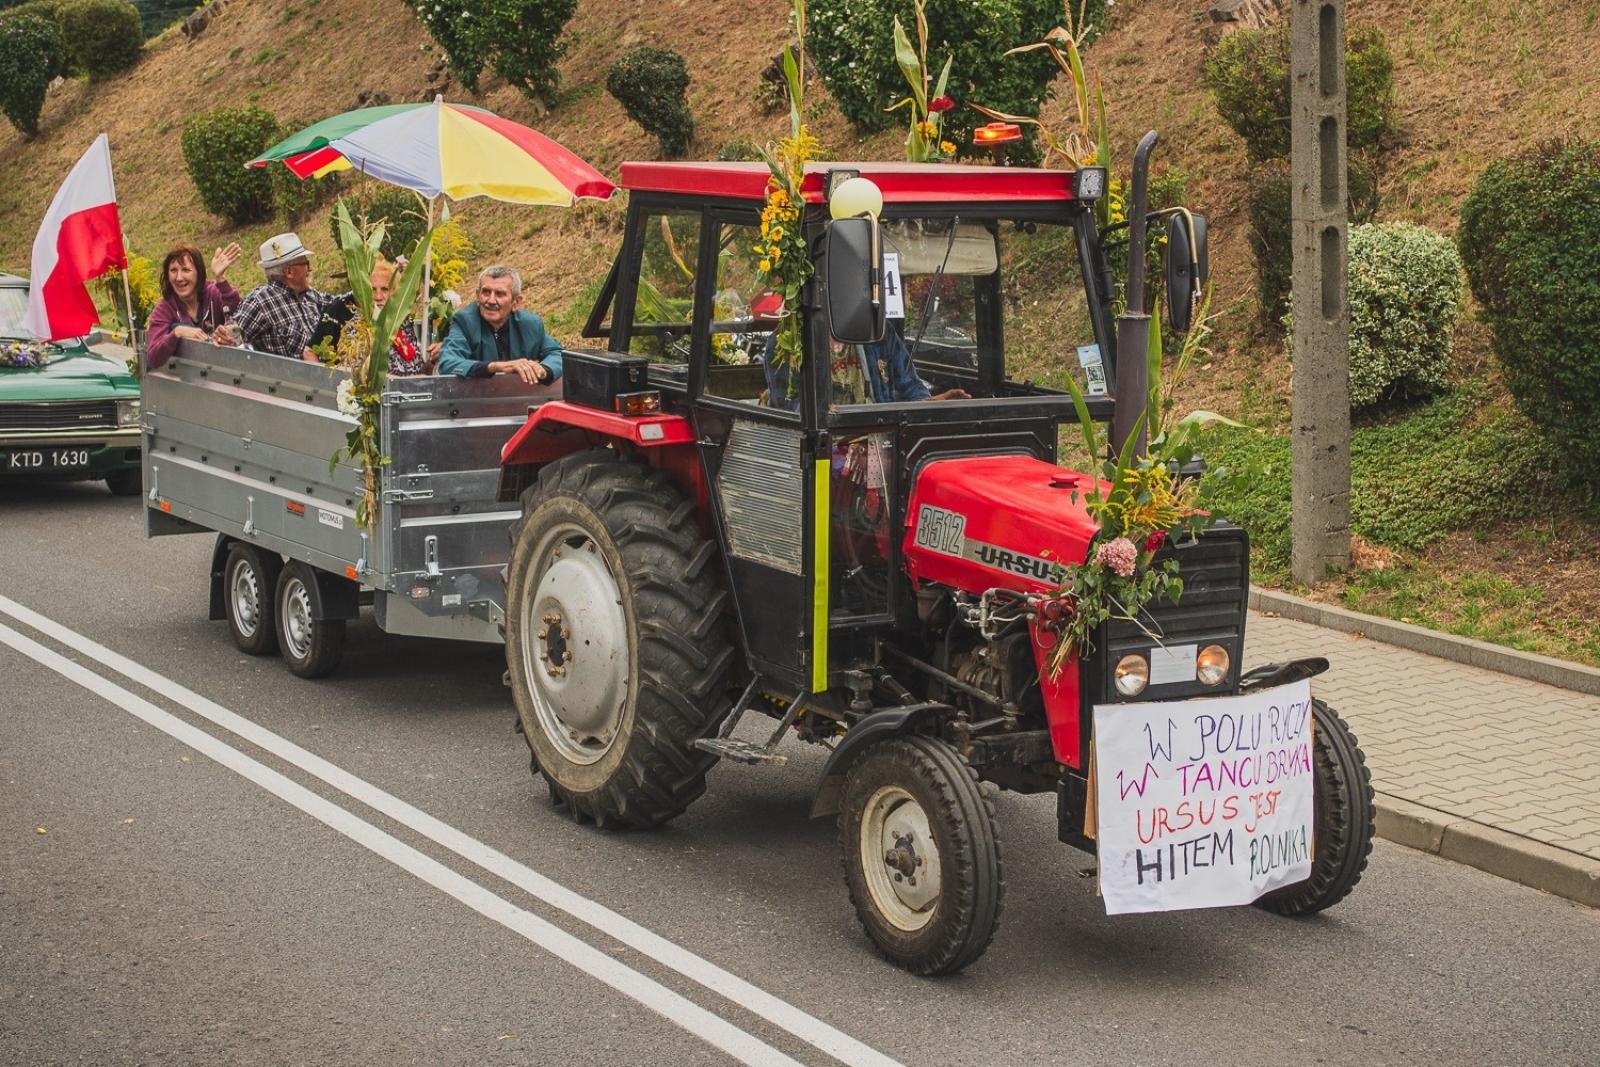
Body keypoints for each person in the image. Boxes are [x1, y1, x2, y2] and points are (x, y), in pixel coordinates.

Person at [762, 324, 969, 410]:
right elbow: (785, 408)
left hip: (878, 445)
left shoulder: (878, 331)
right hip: (821, 455)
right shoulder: (788, 341)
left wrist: (931, 404)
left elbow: (911, 386)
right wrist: (820, 413)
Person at [436, 265, 562, 384]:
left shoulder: (530, 324)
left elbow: (558, 355)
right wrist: (496, 367)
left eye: (499, 294)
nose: (491, 301)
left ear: (516, 302)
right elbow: (447, 362)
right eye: (486, 292)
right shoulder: (465, 322)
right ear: (477, 296)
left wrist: (543, 370)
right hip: (476, 399)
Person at [309, 257, 433, 376]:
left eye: (385, 289)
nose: (378, 297)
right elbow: (359, 379)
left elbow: (418, 370)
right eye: (372, 290)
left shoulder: (401, 323)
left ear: (394, 292)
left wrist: (433, 360)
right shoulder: (356, 329)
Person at [229, 232, 338, 361]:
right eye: (306, 264)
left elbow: (341, 305)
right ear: (289, 272)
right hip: (289, 380)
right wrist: (225, 335)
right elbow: (230, 337)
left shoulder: (310, 296)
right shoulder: (260, 301)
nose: (310, 270)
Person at [144, 242, 243, 370]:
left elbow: (239, 311)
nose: (179, 278)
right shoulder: (164, 309)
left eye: (186, 270)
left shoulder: (213, 292)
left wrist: (220, 278)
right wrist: (177, 332)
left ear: (198, 273)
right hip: (188, 380)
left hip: (225, 373)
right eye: (173, 270)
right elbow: (153, 357)